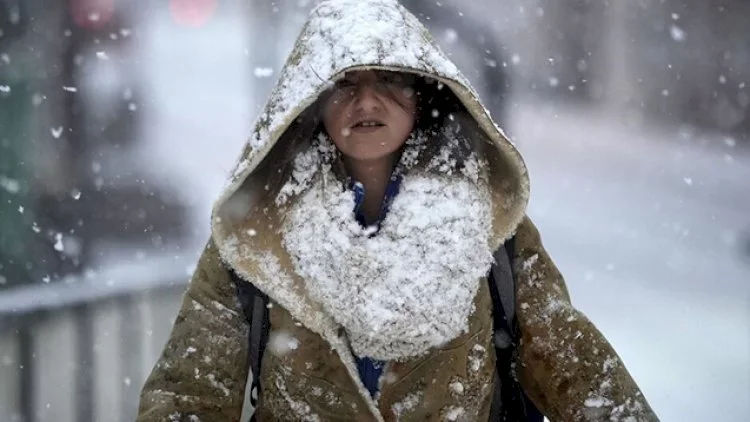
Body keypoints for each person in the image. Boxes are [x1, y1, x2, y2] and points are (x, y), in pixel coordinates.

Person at [137, 1, 659, 421]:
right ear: (311, 103)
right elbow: (189, 397)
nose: (367, 102)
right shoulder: (255, 238)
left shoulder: (491, 229)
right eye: (344, 83)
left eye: (388, 80)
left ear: (422, 94)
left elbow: (579, 373)